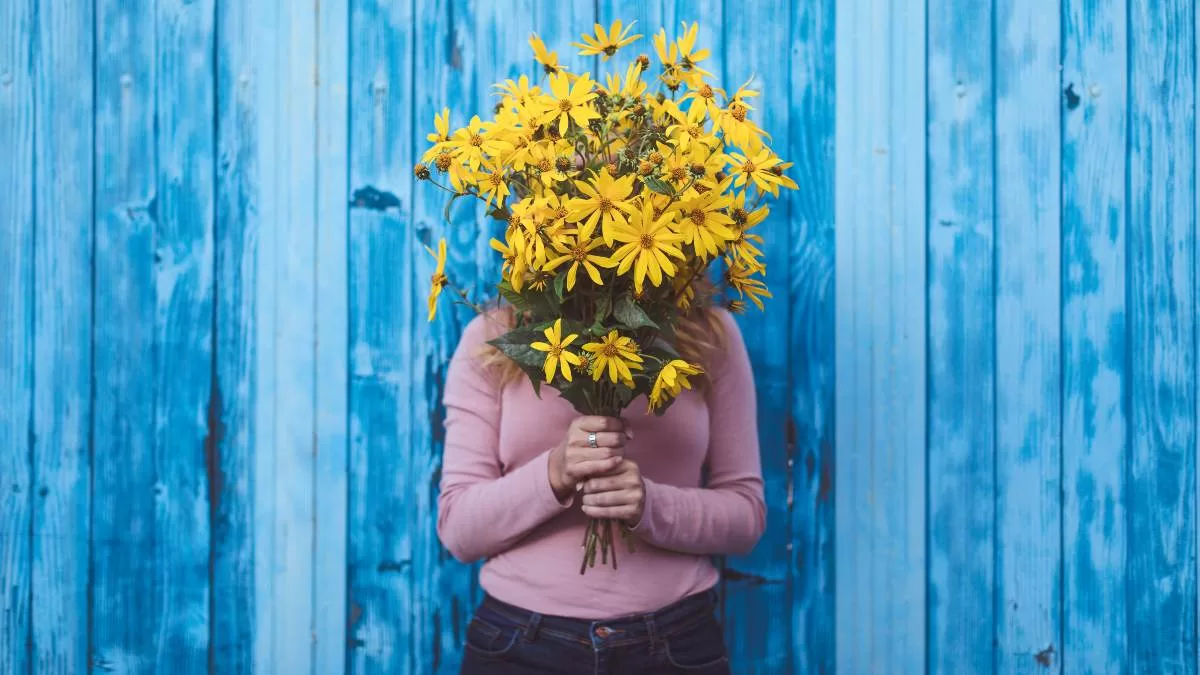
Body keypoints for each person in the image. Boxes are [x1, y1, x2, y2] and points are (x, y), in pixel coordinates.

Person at [437, 304, 765, 674]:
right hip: (520, 645)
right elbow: (458, 529)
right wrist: (554, 473)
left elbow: (746, 515)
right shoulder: (492, 335)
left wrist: (651, 506)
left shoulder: (708, 333)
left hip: (674, 643)